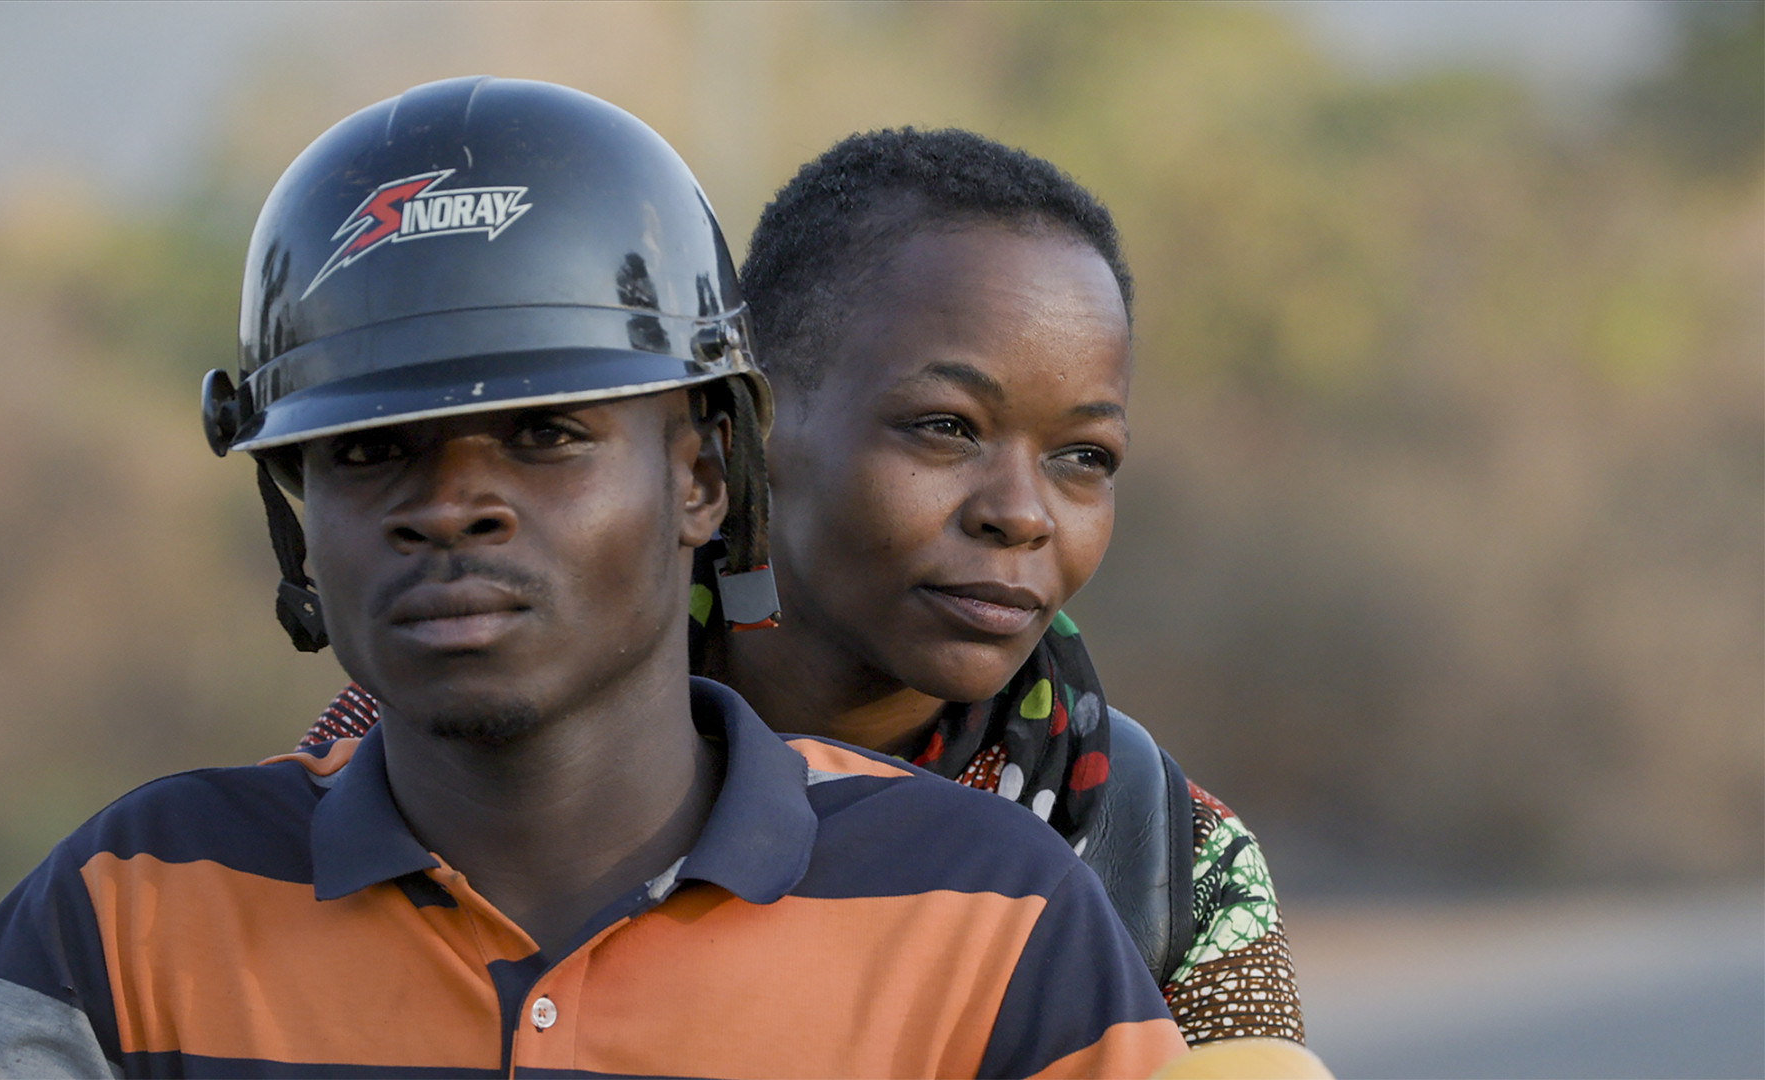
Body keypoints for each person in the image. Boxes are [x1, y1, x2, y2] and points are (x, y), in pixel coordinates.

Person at [0, 78, 1190, 1079]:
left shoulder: (992, 920)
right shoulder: (132, 915)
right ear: (297, 516)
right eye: (367, 451)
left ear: (705, 476)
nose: (452, 504)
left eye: (546, 436)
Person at [306, 127, 1304, 1047]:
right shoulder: (423, 747)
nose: (1023, 512)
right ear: (745, 431)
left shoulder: (1166, 863)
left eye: (1084, 455)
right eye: (946, 427)